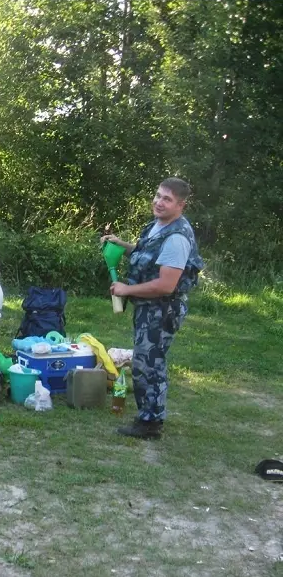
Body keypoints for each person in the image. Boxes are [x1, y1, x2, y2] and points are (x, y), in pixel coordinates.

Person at [101, 177, 204, 439]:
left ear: (180, 205)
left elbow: (166, 284)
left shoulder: (177, 237)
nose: (158, 202)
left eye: (166, 199)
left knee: (150, 364)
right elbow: (146, 253)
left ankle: (150, 423)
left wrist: (126, 290)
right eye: (157, 195)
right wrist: (122, 246)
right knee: (144, 361)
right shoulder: (158, 226)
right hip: (149, 308)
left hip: (163, 309)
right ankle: (148, 416)